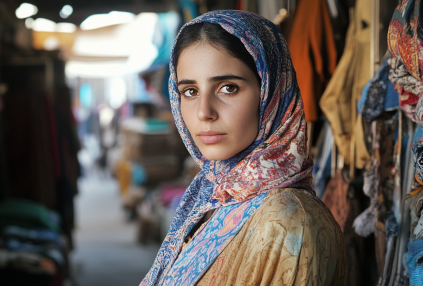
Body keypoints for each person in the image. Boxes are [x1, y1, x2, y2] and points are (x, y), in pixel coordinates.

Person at [141, 10, 346, 286]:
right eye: (190, 91)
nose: (204, 112)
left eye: (228, 88)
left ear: (270, 92)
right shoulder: (210, 196)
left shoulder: (288, 222)